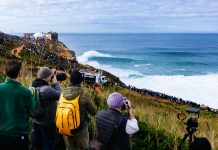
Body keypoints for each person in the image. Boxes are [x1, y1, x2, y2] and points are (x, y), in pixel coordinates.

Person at [0, 60, 35, 150]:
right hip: (19, 137)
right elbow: (33, 112)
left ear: (5, 72)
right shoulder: (26, 92)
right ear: (19, 73)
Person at [62, 70, 97, 150]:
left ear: (70, 80)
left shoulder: (63, 93)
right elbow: (94, 112)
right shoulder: (84, 94)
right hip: (80, 129)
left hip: (66, 126)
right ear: (81, 81)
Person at [31, 67, 61, 150]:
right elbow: (60, 95)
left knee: (37, 143)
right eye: (51, 76)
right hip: (47, 123)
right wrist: (55, 83)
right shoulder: (47, 89)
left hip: (35, 120)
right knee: (48, 144)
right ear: (46, 77)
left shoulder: (32, 85)